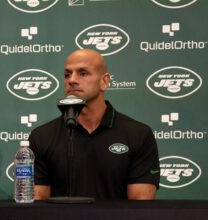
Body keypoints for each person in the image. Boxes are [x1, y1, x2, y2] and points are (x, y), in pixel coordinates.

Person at [28, 49, 159, 200]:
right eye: (67, 74)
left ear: (104, 82)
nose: (72, 80)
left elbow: (140, 207)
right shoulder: (41, 137)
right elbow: (37, 208)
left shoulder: (138, 134)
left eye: (83, 73)